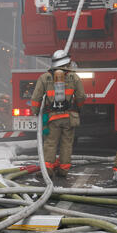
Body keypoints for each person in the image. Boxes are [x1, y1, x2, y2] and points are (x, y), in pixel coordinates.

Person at [31, 50, 86, 178]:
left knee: (50, 143)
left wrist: (35, 112)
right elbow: (81, 96)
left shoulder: (45, 77)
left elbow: (36, 97)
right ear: (67, 61)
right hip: (69, 117)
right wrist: (77, 107)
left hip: (53, 117)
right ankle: (63, 170)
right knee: (66, 143)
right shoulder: (74, 77)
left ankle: (48, 169)